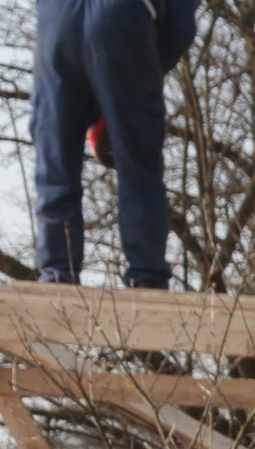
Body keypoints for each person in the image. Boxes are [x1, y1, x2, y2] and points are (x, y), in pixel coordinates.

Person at [32, 0, 196, 289]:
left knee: (55, 158)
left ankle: (57, 272)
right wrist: (146, 72)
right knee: (138, 162)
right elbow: (181, 28)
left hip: (55, 16)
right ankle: (146, 275)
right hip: (123, 13)